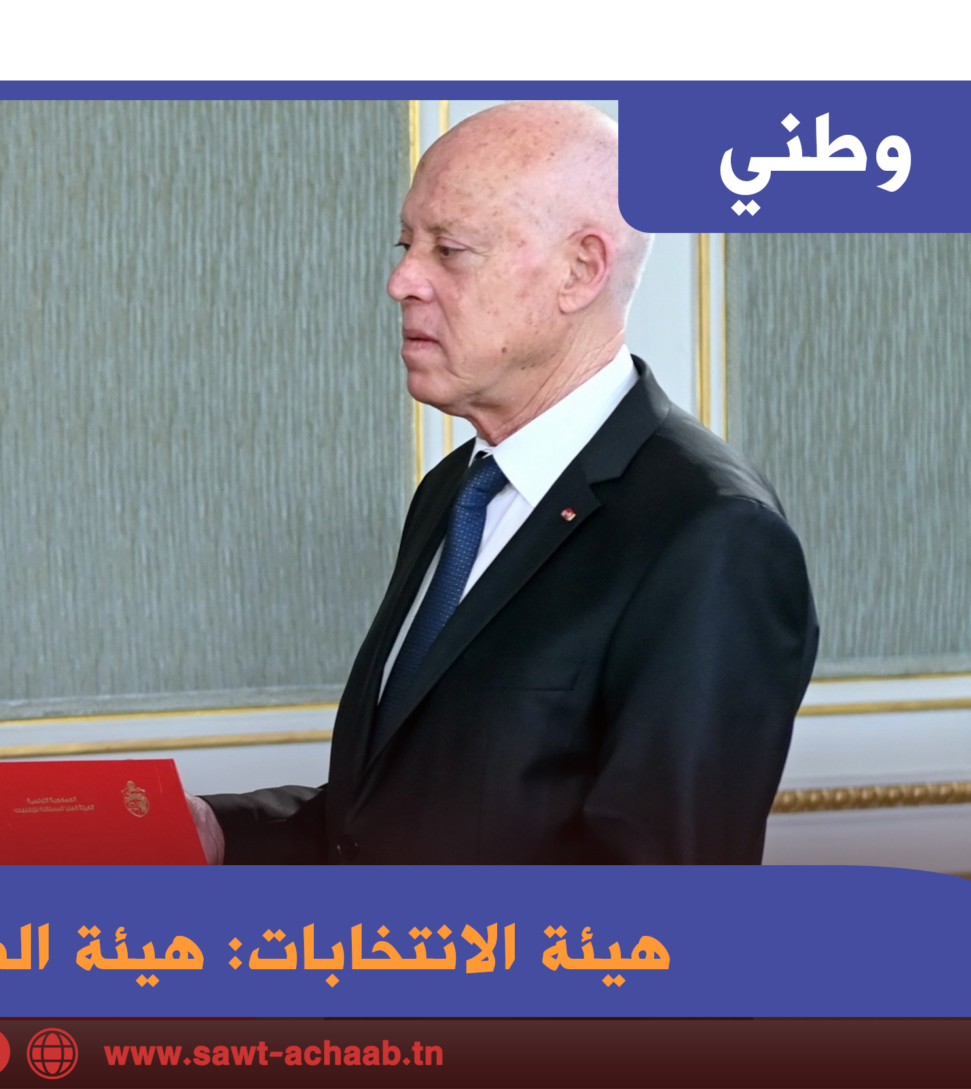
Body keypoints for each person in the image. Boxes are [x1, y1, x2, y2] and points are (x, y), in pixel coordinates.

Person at [190, 101, 819, 865]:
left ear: (580, 270)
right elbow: (396, 816)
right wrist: (220, 831)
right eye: (406, 243)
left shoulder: (712, 535)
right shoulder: (456, 492)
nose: (400, 280)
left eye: (449, 250)